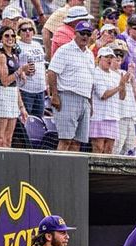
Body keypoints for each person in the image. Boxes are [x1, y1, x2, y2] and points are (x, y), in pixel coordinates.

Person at [46, 20, 97, 151]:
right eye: (82, 33)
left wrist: (90, 103)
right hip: (67, 97)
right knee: (66, 139)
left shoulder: (90, 54)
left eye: (88, 33)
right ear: (75, 33)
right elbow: (52, 72)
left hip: (84, 100)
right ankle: (59, 170)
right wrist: (55, 95)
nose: (85, 36)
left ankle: (72, 171)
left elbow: (90, 79)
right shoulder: (65, 50)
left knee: (78, 142)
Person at [0, 26, 26, 147]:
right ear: (1, 39)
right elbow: (5, 81)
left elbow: (15, 86)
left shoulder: (15, 57)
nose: (10, 38)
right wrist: (20, 71)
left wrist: (21, 107)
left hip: (12, 95)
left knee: (8, 138)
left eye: (13, 36)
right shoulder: (0, 56)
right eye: (6, 36)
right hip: (2, 94)